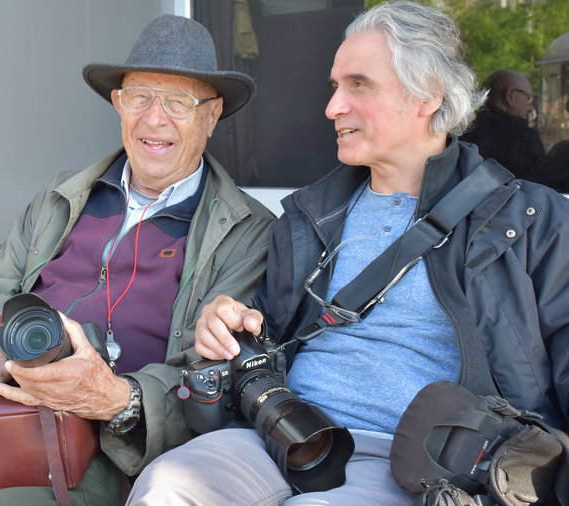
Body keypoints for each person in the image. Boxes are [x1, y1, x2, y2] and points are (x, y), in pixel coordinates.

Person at [127, 2, 568, 505]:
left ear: (428, 95)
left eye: (359, 85)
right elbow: (271, 338)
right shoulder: (311, 217)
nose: (333, 107)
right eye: (335, 87)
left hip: (414, 468)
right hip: (287, 435)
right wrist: (229, 328)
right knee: (167, 485)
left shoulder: (528, 221)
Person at [0, 14, 275, 506]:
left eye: (179, 101)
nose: (155, 119)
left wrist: (118, 399)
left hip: (110, 444)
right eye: (140, 96)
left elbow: (218, 376)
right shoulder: (60, 195)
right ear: (118, 103)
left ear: (212, 113)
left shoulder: (248, 231)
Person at [461, 68, 546, 182]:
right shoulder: (524, 138)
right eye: (528, 98)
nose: (531, 108)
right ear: (510, 95)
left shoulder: (463, 134)